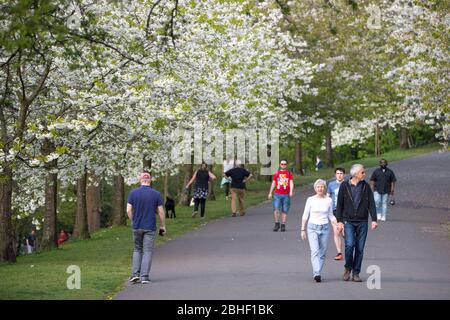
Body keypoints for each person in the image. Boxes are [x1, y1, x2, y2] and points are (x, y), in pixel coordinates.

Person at [335, 164, 378, 282]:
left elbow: (371, 204)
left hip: (362, 221)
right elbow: (339, 204)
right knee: (349, 245)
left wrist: (374, 219)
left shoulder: (366, 186)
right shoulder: (344, 185)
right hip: (348, 221)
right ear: (355, 174)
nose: (364, 174)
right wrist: (339, 221)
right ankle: (348, 268)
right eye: (362, 172)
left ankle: (356, 273)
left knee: (360, 248)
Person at [127, 172, 166, 284]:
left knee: (137, 249)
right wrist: (163, 225)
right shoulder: (156, 194)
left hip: (136, 226)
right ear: (150, 180)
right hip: (150, 227)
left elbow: (128, 210)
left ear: (140, 180)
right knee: (148, 251)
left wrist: (133, 220)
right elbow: (161, 212)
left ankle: (135, 275)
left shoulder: (133, 193)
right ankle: (144, 277)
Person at [301, 179, 338, 283]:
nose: (320, 188)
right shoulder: (310, 200)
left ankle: (317, 273)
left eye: (321, 187)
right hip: (312, 227)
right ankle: (317, 273)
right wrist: (302, 229)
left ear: (324, 188)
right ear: (315, 188)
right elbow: (305, 215)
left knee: (322, 253)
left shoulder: (329, 200)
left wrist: (337, 224)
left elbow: (330, 215)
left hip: (325, 228)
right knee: (315, 251)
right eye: (318, 187)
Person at [268, 159, 294, 232]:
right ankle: (277, 223)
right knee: (276, 209)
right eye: (282, 164)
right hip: (277, 194)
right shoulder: (276, 174)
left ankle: (283, 224)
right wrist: (270, 192)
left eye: (285, 164)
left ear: (286, 165)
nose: (283, 165)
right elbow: (273, 183)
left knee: (284, 210)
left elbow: (291, 182)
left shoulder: (289, 174)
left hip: (286, 195)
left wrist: (291, 191)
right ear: (280, 165)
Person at [327, 167, 346, 260]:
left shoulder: (348, 184)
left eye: (341, 173)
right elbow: (327, 197)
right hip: (334, 210)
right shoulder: (331, 184)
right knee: (336, 231)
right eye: (338, 173)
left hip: (346, 211)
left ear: (344, 175)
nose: (339, 175)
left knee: (345, 231)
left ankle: (349, 247)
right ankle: (339, 253)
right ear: (335, 175)